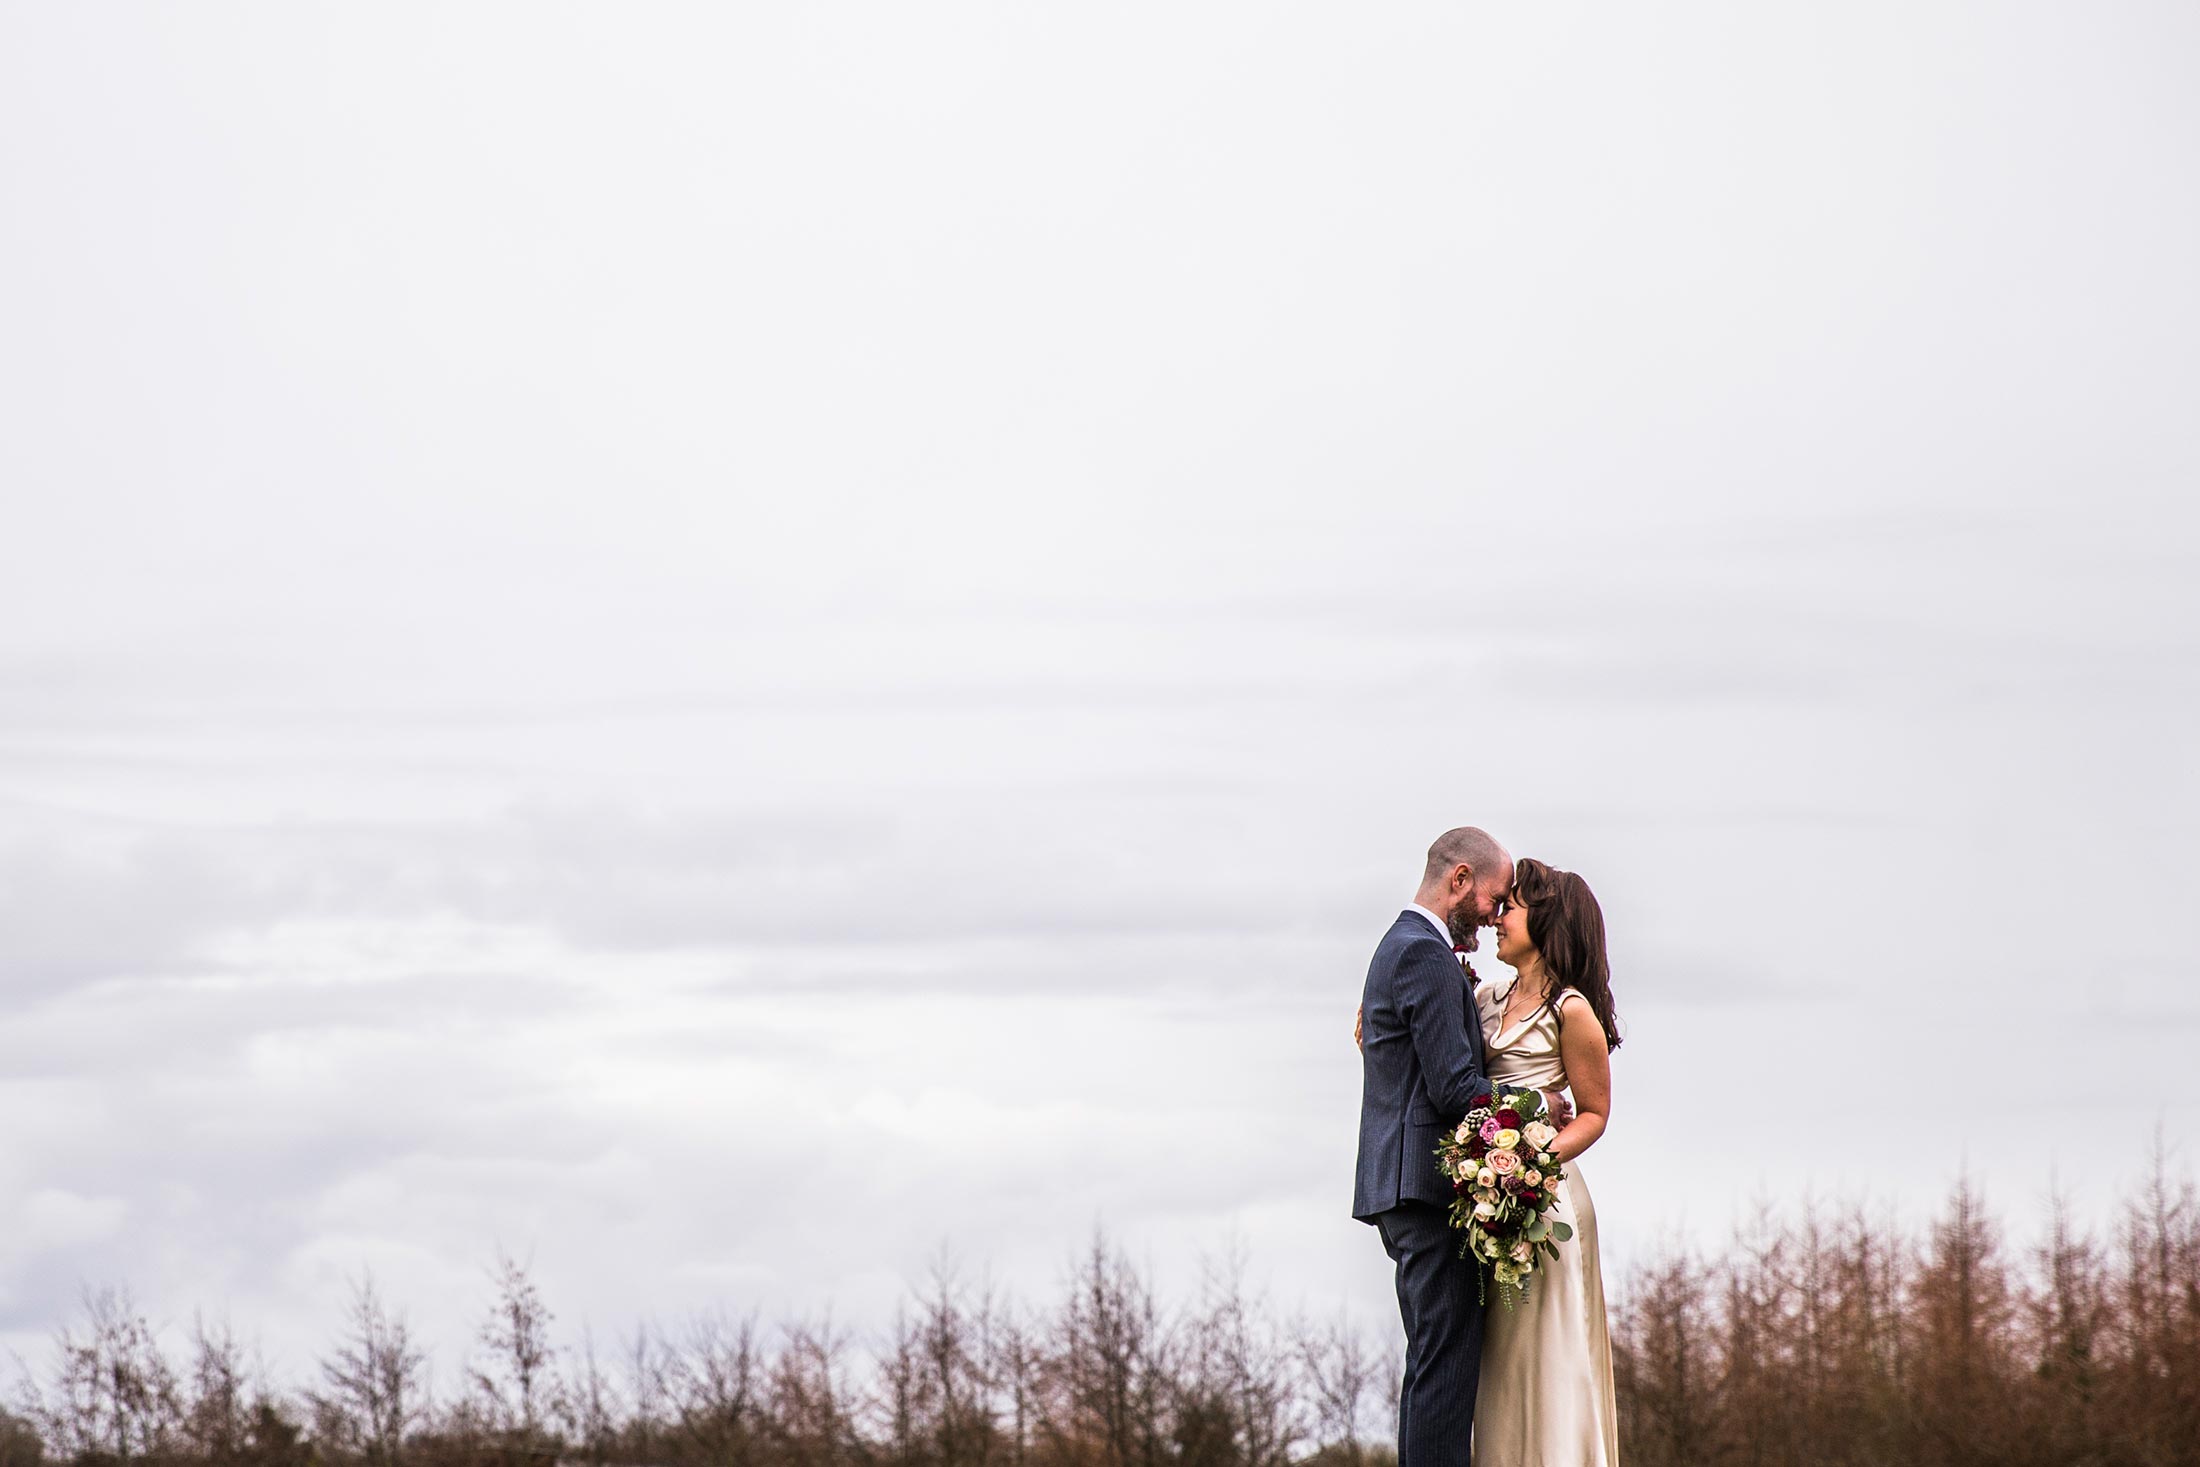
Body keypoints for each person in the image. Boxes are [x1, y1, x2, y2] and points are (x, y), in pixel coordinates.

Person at [1352, 828, 1570, 1467]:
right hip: (1422, 1187)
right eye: (1495, 896)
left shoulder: (1409, 948)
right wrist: (1540, 1106)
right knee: (1443, 1368)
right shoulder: (1420, 952)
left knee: (1435, 1361)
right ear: (1460, 880)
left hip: (1406, 1185)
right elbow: (1453, 1090)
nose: (1497, 913)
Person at [1470, 856, 1623, 1466]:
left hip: (1545, 1206)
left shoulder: (1572, 1010)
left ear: (1548, 920)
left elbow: (1593, 1113)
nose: (1497, 916)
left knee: (1554, 1356)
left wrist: (1529, 1167)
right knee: (1502, 1364)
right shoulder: (1484, 997)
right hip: (1489, 1197)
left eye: (1510, 907)